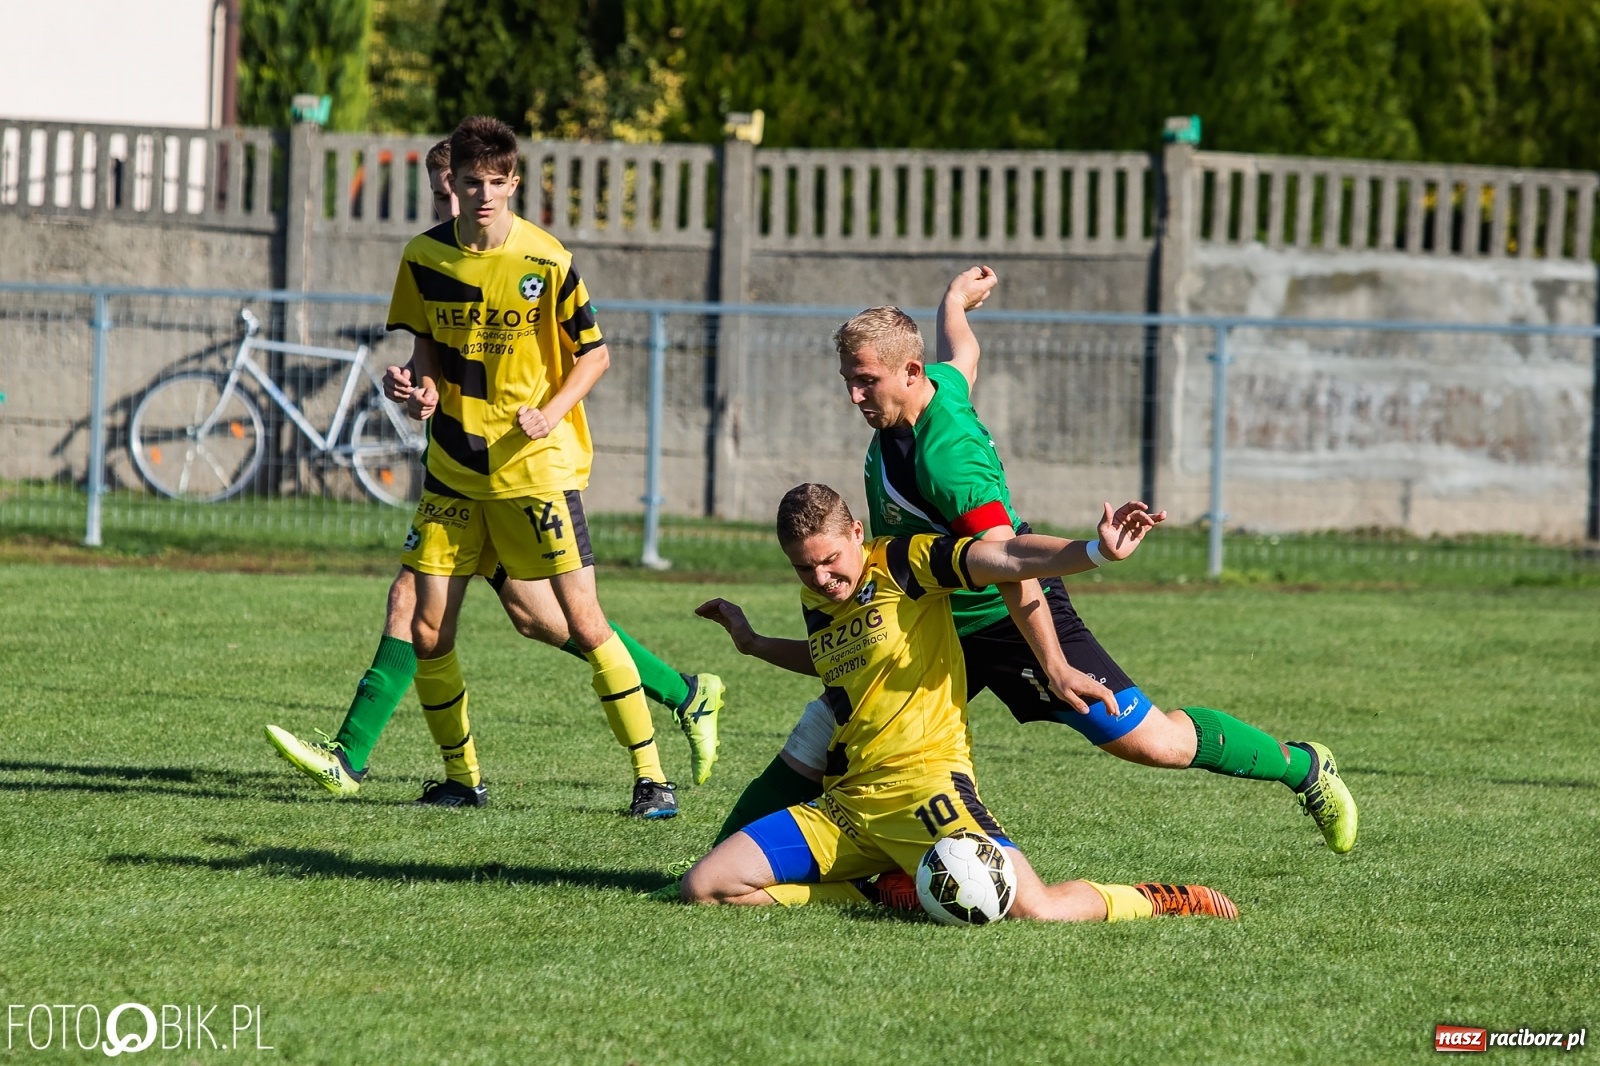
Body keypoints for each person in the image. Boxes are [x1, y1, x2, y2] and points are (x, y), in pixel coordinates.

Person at [717, 268, 1357, 853]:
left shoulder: (949, 461)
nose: (855, 396)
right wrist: (953, 302)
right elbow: (964, 356)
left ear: (909, 372)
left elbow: (1009, 562)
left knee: (1152, 743)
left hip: (1001, 617)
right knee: (828, 733)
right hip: (927, 618)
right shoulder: (931, 389)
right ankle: (716, 867)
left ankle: (1303, 766)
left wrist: (1055, 660)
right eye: (848, 381)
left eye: (866, 381)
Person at [272, 116, 700, 818]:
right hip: (453, 468)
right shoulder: (423, 258)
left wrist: (551, 412)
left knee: (581, 620)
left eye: (494, 184)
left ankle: (653, 777)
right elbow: (428, 355)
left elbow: (595, 354)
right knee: (427, 626)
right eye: (470, 183)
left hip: (534, 469)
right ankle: (461, 779)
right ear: (455, 183)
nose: (480, 196)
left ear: (513, 184)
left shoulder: (546, 260)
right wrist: (417, 390)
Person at [680, 483, 1237, 923]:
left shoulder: (904, 564)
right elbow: (839, 662)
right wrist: (753, 643)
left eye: (829, 560)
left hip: (929, 792)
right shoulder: (820, 597)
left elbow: (1009, 556)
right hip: (849, 802)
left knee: (1034, 909)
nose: (822, 578)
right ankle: (876, 892)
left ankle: (1160, 898)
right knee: (705, 886)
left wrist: (1094, 552)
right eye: (804, 567)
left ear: (856, 532)